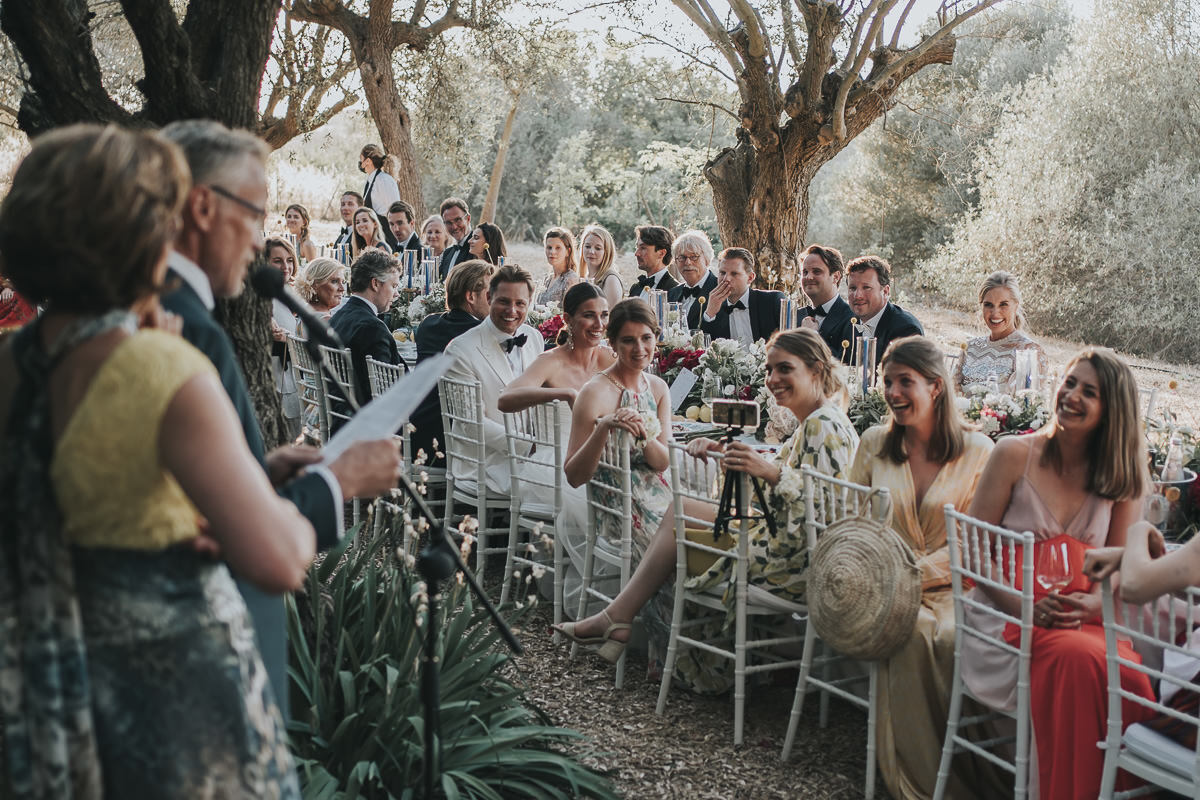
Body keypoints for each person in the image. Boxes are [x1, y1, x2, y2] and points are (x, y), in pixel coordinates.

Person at [0, 123, 309, 796]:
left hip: (50, 702)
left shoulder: (11, 367)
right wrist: (329, 486)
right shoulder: (160, 367)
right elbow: (279, 559)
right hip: (174, 722)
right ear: (141, 234)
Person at [161, 119, 403, 721]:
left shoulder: (176, 306)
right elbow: (253, 545)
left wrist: (260, 471)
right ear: (201, 207)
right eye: (254, 214)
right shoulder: (180, 322)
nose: (259, 241)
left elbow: (172, 479)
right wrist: (338, 482)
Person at [557, 327, 859, 690]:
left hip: (798, 558)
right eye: (769, 370)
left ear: (815, 370)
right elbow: (777, 490)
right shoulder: (813, 420)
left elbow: (826, 508)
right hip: (786, 537)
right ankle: (621, 620)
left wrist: (769, 471)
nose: (773, 379)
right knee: (679, 512)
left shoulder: (824, 425)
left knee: (676, 521)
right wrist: (724, 456)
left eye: (785, 369)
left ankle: (620, 619)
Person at [962, 346, 1155, 800]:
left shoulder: (1120, 478)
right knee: (1079, 660)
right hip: (1006, 615)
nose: (1072, 396)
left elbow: (1120, 571)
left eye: (1089, 392)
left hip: (1082, 616)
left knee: (1134, 676)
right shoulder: (1013, 454)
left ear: (1112, 411)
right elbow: (973, 552)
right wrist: (1025, 607)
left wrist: (1090, 604)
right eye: (1070, 383)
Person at [848, 336, 994, 800]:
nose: (892, 392)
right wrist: (885, 573)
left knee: (951, 637)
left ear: (936, 387)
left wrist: (915, 571)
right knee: (909, 631)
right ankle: (921, 782)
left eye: (904, 382)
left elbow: (977, 543)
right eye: (887, 381)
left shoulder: (979, 451)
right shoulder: (874, 443)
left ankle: (973, 769)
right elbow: (852, 522)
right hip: (884, 582)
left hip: (957, 582)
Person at [553, 299, 674, 672]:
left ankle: (628, 631)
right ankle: (664, 655)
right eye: (627, 341)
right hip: (616, 499)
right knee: (669, 552)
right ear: (613, 342)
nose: (639, 349)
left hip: (658, 491)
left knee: (691, 540)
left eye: (647, 338)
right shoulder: (595, 391)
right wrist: (603, 429)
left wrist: (644, 436)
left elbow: (662, 461)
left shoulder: (657, 387)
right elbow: (574, 474)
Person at [443, 264, 545, 493]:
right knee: (563, 487)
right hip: (484, 462)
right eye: (504, 301)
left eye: (520, 303)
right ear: (489, 297)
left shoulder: (534, 337)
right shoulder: (460, 350)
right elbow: (472, 424)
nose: (512, 310)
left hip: (534, 455)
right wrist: (530, 446)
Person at [409, 259, 495, 466]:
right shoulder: (477, 335)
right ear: (471, 296)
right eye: (491, 294)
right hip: (448, 445)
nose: (496, 300)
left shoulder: (429, 323)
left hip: (416, 433)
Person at [330, 249, 403, 407]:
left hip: (340, 414)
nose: (397, 294)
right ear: (375, 283)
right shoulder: (373, 329)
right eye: (394, 286)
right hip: (369, 423)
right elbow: (384, 390)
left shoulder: (337, 318)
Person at [954, 271, 1048, 393]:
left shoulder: (1029, 352)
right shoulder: (969, 348)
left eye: (1003, 304)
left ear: (1016, 306)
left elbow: (1025, 405)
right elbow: (950, 395)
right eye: (988, 305)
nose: (995, 313)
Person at [846, 255, 923, 365]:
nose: (858, 295)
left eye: (866, 287)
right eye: (853, 288)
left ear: (885, 292)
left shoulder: (906, 329)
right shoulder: (849, 323)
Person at [699, 247, 785, 345]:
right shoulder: (712, 308)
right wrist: (710, 314)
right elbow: (703, 348)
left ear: (750, 277)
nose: (726, 279)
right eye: (722, 273)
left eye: (734, 273)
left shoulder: (772, 301)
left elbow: (791, 341)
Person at [265, 237, 302, 441]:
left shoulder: (286, 292)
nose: (285, 266)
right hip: (277, 385)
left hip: (292, 381)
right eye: (277, 261)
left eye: (289, 260)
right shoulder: (262, 297)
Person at [798, 243, 853, 361]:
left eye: (816, 271)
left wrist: (813, 336)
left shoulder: (852, 319)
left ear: (836, 277)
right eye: (805, 272)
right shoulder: (797, 316)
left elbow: (845, 365)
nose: (808, 277)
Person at [666, 229, 717, 330]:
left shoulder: (720, 290)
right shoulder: (671, 294)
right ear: (675, 262)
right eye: (682, 257)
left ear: (707, 259)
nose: (688, 262)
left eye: (694, 257)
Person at [359, 143, 402, 249]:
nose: (360, 163)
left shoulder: (384, 180)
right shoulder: (370, 181)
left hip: (386, 236)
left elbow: (395, 209)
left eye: (361, 159)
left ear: (368, 161)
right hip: (375, 236)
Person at [629, 224, 678, 298]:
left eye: (643, 248)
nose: (636, 254)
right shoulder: (635, 288)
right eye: (637, 247)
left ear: (661, 253)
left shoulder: (675, 290)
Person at [581, 224, 623, 309]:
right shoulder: (584, 278)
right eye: (588, 246)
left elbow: (610, 317)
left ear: (607, 252)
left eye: (598, 248)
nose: (591, 251)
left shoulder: (611, 279)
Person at [295, 257, 347, 321]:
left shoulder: (305, 312)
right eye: (334, 281)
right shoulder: (326, 321)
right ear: (314, 285)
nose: (342, 289)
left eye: (343, 282)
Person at [537, 226, 579, 304]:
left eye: (558, 248)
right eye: (549, 247)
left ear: (568, 251)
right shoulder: (547, 279)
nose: (552, 252)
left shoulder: (571, 280)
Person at [438, 197, 472, 278]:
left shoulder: (477, 248)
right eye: (448, 223)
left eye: (458, 220)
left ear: (468, 218)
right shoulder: (447, 253)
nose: (454, 227)